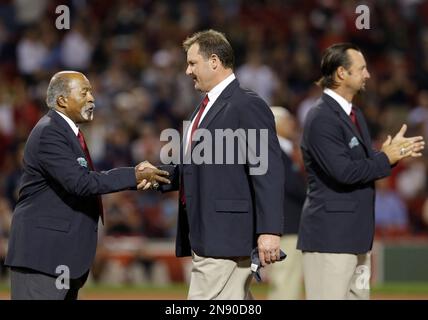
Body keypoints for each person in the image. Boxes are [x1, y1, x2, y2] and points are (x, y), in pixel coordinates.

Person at [5, 71, 170, 300]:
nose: (92, 98)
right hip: (43, 257)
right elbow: (81, 183)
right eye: (84, 92)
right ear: (62, 100)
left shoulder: (67, 133)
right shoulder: (49, 132)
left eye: (91, 91)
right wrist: (133, 175)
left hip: (60, 256)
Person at [159, 29, 285, 299]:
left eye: (192, 63)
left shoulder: (246, 104)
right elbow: (199, 167)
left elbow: (267, 171)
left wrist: (269, 230)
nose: (187, 70)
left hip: (226, 236)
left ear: (214, 61)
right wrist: (155, 176)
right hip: (211, 232)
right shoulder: (206, 106)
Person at [297, 43, 425, 300]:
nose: (368, 74)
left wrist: (386, 156)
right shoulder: (321, 117)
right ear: (341, 73)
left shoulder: (354, 113)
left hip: (357, 236)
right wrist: (385, 159)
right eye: (362, 69)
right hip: (331, 238)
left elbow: (363, 166)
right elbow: (344, 172)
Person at [267, 107, 306, 300]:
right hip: (286, 226)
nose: (292, 124)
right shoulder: (274, 150)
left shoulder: (282, 150)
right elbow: (291, 186)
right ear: (275, 124)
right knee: (285, 282)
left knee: (286, 280)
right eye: (287, 120)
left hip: (286, 225)